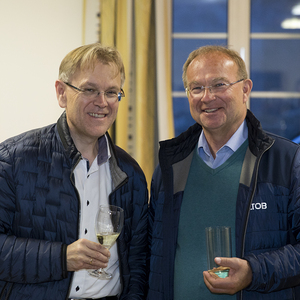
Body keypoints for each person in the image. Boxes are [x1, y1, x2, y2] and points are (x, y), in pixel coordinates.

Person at [147, 45, 300, 300]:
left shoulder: (287, 161)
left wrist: (253, 271)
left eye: (219, 85)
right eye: (196, 88)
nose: (207, 97)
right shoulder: (170, 168)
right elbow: (152, 255)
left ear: (245, 89)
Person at [0, 43, 148, 300]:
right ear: (61, 92)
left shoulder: (131, 174)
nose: (102, 102)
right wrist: (61, 257)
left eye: (112, 92)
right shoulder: (13, 160)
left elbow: (138, 263)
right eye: (90, 89)